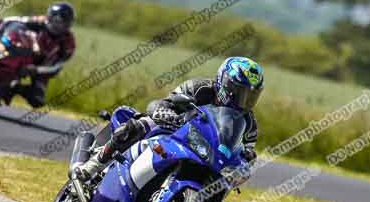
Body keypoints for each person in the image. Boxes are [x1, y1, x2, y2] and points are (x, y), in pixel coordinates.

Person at [75, 56, 264, 181]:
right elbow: (166, 102)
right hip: (174, 132)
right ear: (224, 82)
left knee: (221, 185)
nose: (244, 99)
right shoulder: (200, 88)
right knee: (139, 125)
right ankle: (95, 164)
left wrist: (248, 158)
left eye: (250, 95)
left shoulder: (249, 124)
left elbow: (244, 152)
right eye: (239, 91)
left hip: (207, 154)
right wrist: (167, 113)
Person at [0, 1, 76, 108]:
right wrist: (0, 21)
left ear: (68, 24)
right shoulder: (40, 21)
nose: (58, 25)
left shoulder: (68, 43)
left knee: (37, 100)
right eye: (56, 20)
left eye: (63, 23)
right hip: (23, 51)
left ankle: (15, 88)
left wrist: (37, 70)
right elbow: (18, 21)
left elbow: (57, 66)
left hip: (40, 68)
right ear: (49, 17)